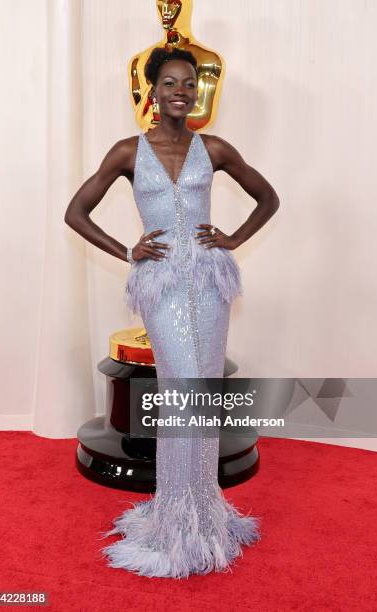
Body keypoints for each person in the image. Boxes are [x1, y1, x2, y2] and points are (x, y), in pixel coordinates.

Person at [65, 47, 280, 578]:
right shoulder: (126, 152)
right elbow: (75, 212)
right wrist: (126, 251)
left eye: (189, 83)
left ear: (196, 91)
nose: (180, 91)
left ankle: (203, 516)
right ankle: (175, 520)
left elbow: (268, 197)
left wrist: (231, 238)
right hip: (161, 286)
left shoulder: (216, 147)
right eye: (169, 83)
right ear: (152, 91)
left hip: (208, 283)